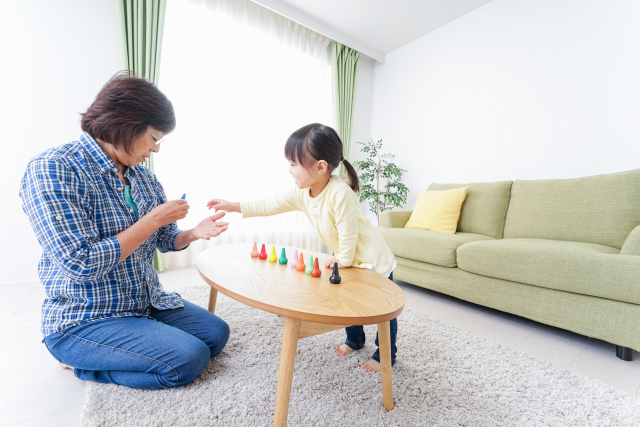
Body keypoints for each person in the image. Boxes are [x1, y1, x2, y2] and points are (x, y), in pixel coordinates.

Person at [19, 72, 230, 389]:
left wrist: (193, 233)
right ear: (125, 123)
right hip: (86, 317)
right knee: (188, 358)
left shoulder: (143, 177)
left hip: (144, 303)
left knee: (216, 334)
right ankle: (79, 361)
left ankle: (136, 339)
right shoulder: (54, 168)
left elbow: (163, 239)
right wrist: (151, 220)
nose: (156, 149)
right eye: (154, 138)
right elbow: (80, 263)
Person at [207, 123, 398, 373]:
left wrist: (343, 260)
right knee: (348, 302)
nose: (290, 170)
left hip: (372, 259)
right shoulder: (302, 192)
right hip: (347, 258)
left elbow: (348, 232)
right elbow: (271, 204)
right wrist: (234, 205)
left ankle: (386, 355)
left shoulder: (340, 192)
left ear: (320, 167)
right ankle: (355, 339)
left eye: (294, 164)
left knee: (383, 312)